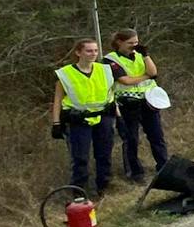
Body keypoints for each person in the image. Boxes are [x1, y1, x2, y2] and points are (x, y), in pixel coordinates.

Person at [50, 39, 121, 195]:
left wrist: (118, 116)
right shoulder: (66, 74)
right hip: (78, 120)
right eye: (89, 51)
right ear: (78, 53)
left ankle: (104, 189)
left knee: (104, 155)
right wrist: (56, 123)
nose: (93, 54)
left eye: (95, 50)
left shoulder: (105, 70)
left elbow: (111, 95)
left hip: (103, 118)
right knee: (80, 158)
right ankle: (79, 193)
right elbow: (58, 100)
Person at [105, 29, 168, 181]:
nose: (134, 46)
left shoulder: (140, 55)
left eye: (136, 42)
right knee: (131, 139)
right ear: (119, 42)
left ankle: (164, 166)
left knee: (156, 136)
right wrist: (146, 76)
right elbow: (124, 80)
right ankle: (135, 172)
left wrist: (146, 55)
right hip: (128, 104)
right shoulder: (110, 60)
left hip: (148, 102)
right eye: (130, 43)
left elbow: (154, 72)